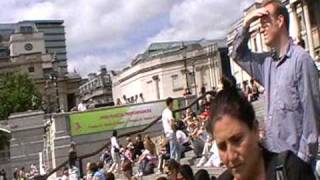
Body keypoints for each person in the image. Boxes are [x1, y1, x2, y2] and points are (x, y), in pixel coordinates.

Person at [231, 0, 320, 164]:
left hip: (295, 163)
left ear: (280, 21)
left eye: (265, 23)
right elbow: (238, 55)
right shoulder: (267, 64)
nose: (262, 28)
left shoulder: (301, 61)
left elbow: (311, 119)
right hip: (273, 159)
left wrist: (301, 163)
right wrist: (245, 24)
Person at [206, 78, 315, 179]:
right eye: (222, 147)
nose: (231, 156)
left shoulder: (293, 171)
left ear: (255, 129)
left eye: (237, 140)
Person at [162, 97, 180, 161]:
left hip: (167, 132)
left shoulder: (164, 112)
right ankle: (173, 164)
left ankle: (177, 162)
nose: (173, 105)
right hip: (171, 132)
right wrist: (174, 130)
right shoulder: (169, 112)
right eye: (172, 103)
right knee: (174, 149)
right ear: (170, 103)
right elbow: (171, 122)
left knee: (177, 148)